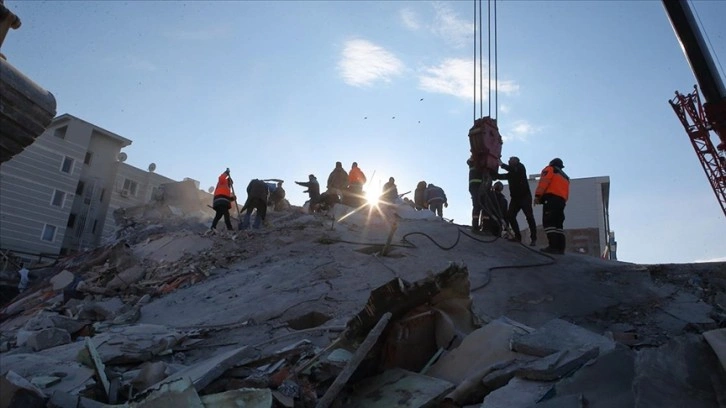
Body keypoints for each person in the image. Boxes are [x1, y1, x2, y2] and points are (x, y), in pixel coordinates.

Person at [497, 156, 538, 246]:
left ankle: (534, 238)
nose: (509, 161)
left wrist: (501, 164)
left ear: (517, 161)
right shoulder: (511, 172)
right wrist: (493, 174)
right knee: (510, 216)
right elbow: (502, 176)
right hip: (515, 199)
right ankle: (517, 237)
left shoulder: (520, 167)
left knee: (529, 217)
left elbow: (513, 170)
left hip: (524, 197)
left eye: (511, 160)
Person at [534, 158, 570, 254]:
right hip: (561, 202)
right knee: (558, 225)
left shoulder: (550, 169)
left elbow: (544, 182)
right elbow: (565, 193)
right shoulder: (565, 177)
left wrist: (538, 196)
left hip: (551, 200)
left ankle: (553, 247)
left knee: (549, 223)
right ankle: (560, 248)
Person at [467, 157, 484, 232]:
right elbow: (469, 161)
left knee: (480, 206)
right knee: (477, 205)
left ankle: (478, 225)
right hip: (475, 187)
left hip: (479, 187)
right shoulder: (472, 163)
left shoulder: (480, 165)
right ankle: (475, 225)